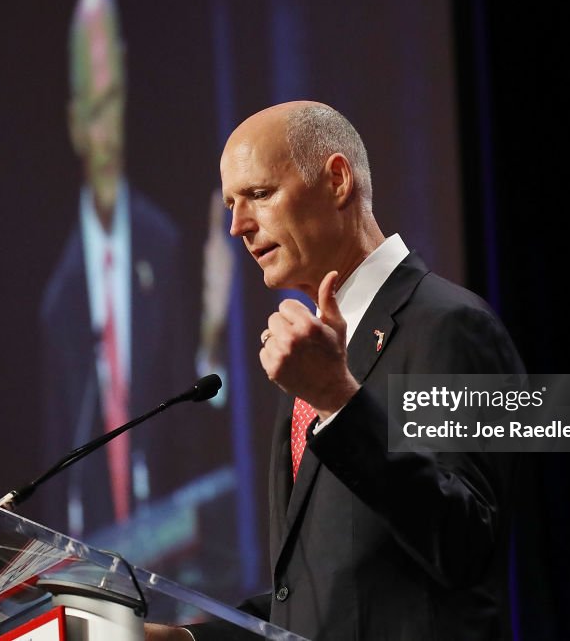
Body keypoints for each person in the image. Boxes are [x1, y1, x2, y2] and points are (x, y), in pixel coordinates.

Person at [148, 101, 523, 640]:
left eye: (258, 194)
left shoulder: (449, 326)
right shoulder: (320, 363)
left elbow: (466, 544)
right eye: (231, 204)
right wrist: (181, 640)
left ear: (338, 181)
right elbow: (316, 600)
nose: (237, 226)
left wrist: (338, 401)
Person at [38, 0, 220, 544]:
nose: (107, 134)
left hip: (180, 552)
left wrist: (211, 339)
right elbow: (52, 475)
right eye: (94, 112)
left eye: (114, 101)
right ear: (73, 125)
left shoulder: (165, 245)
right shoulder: (57, 299)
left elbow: (200, 426)